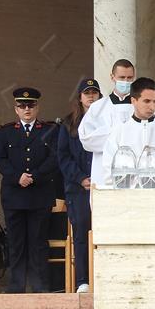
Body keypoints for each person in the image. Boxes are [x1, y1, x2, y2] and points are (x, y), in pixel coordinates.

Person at [0, 88, 58, 293]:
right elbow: (0, 159)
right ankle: (16, 285)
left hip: (40, 194)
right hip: (14, 194)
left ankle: (40, 285)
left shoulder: (50, 129)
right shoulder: (5, 131)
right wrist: (17, 177)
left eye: (31, 105)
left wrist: (35, 176)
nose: (27, 109)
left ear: (37, 107)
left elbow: (54, 158)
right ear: (16, 109)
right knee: (16, 242)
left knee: (38, 241)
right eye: (22, 106)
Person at [101, 77, 155, 185]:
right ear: (133, 100)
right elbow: (108, 172)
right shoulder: (119, 133)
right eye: (147, 101)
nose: (152, 106)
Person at [57, 78, 101, 294]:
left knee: (103, 233)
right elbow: (63, 156)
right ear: (80, 97)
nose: (91, 96)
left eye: (94, 93)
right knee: (82, 233)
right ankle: (83, 279)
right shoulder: (68, 124)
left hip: (102, 187)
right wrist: (81, 178)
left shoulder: (106, 121)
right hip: (78, 188)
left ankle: (101, 276)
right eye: (87, 93)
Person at [78, 59, 136, 187]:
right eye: (122, 77)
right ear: (112, 77)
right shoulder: (97, 108)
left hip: (134, 171)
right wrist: (121, 135)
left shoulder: (141, 107)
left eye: (129, 78)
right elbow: (86, 139)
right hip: (104, 171)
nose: (126, 81)